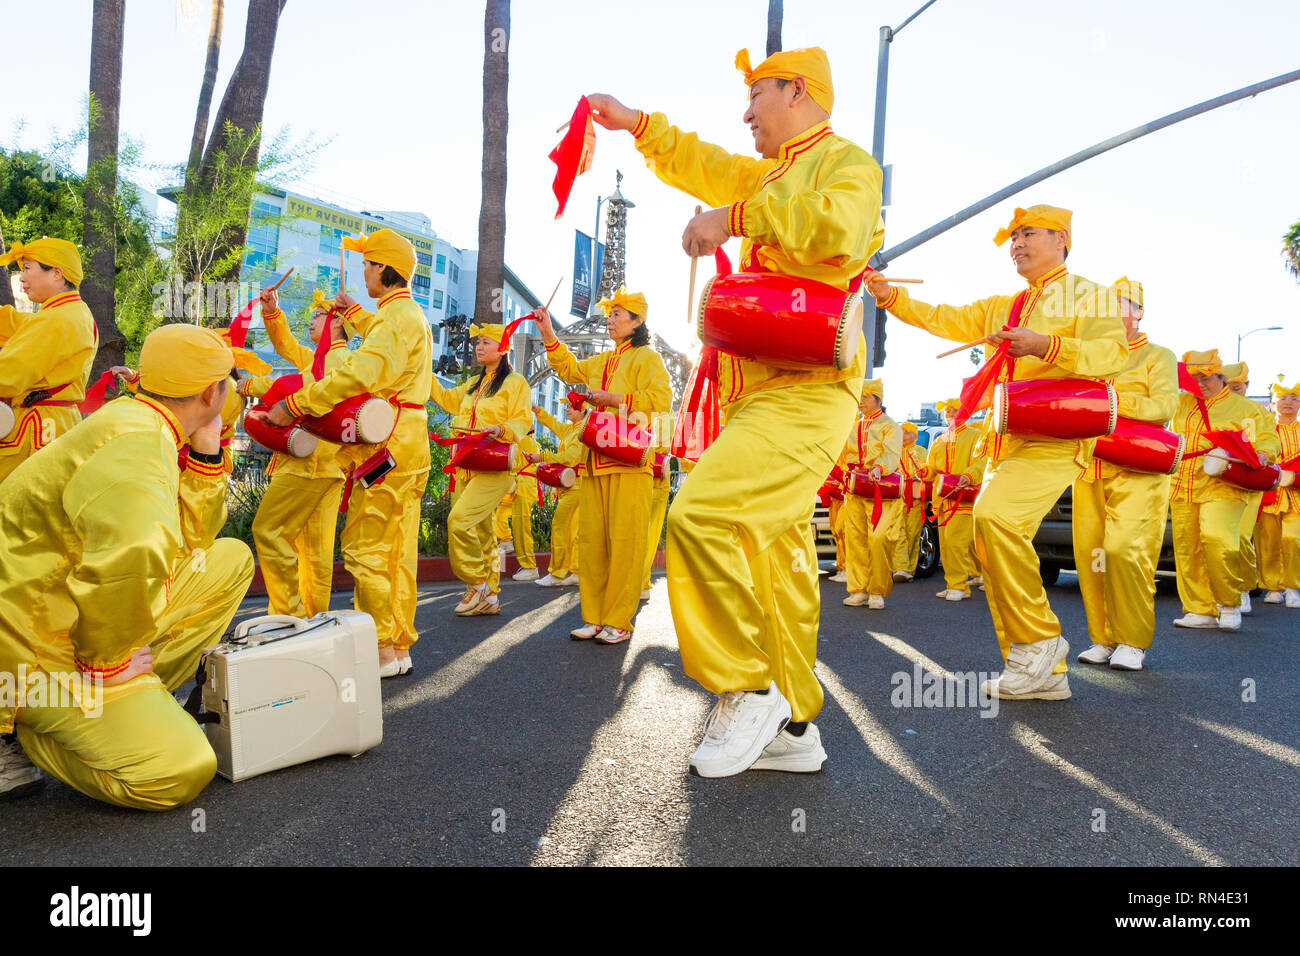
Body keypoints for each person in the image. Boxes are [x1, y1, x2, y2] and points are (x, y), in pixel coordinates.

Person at [587, 44, 881, 774]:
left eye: (757, 95)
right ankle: (793, 725)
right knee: (775, 567)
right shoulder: (771, 171)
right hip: (760, 393)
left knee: (701, 517)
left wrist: (740, 215)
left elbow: (838, 228)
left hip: (810, 391)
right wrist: (638, 125)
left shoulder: (847, 164)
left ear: (799, 90)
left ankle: (746, 687)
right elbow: (707, 165)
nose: (746, 112)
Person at [869, 204, 1128, 701]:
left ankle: (1040, 641)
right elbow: (948, 317)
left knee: (994, 519)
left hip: (1056, 436)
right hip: (1003, 437)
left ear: (1062, 239)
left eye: (1028, 233)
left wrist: (1047, 345)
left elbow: (1112, 357)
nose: (1017, 244)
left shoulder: (1092, 296)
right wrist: (891, 297)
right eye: (1013, 237)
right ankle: (1039, 671)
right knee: (988, 544)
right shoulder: (1007, 304)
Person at [0, 324, 254, 808]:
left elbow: (190, 542)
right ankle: (17, 723)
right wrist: (107, 664)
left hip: (62, 610)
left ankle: (124, 700)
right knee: (181, 769)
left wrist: (206, 445)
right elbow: (133, 554)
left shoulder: (137, 417)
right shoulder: (138, 442)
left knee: (228, 559)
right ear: (211, 390)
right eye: (230, 382)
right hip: (26, 641)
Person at [267, 229, 431, 677]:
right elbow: (381, 343)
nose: (363, 273)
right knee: (398, 551)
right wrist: (355, 313)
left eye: (367, 265)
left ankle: (379, 647)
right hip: (407, 438)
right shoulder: (403, 315)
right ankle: (396, 646)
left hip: (388, 440)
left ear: (382, 267)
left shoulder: (396, 318)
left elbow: (365, 367)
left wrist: (297, 404)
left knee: (365, 548)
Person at [534, 288, 671, 646]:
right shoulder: (603, 361)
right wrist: (548, 331)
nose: (610, 320)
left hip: (629, 463)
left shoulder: (647, 359)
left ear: (637, 321)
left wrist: (614, 400)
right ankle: (594, 618)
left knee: (626, 545)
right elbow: (569, 368)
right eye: (609, 315)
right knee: (593, 543)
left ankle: (619, 622)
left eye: (617, 315)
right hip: (595, 462)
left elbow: (659, 402)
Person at [1071, 278, 1178, 670]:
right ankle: (1102, 638)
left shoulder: (1158, 355)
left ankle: (1132, 640)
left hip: (1138, 469)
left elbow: (1165, 405)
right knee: (1092, 556)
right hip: (1089, 470)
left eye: (1118, 305)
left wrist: (1112, 400)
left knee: (1125, 553)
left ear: (1138, 311)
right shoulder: (1088, 357)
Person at [238, 288, 349, 620]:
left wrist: (254, 386)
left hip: (309, 462)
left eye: (318, 315)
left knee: (269, 530)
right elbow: (286, 346)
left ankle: (288, 613)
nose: (312, 321)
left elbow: (305, 389)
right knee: (315, 552)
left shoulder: (338, 360)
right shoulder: (322, 357)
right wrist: (273, 312)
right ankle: (312, 621)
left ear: (338, 321)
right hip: (325, 465)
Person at [1169, 350, 1280, 631]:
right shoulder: (1180, 403)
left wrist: (1264, 453)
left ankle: (1229, 603)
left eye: (1206, 378)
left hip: (1224, 483)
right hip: (1183, 484)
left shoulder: (1245, 409)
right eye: (1194, 379)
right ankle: (1199, 609)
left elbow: (1267, 438)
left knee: (1218, 539)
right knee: (1187, 547)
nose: (1200, 384)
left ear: (1221, 377)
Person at [429, 322, 532, 618]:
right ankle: (491, 596)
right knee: (484, 533)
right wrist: (423, 367)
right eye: (478, 342)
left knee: (459, 521)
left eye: (486, 342)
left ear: (502, 349)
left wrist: (500, 428)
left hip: (495, 467)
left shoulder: (515, 382)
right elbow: (448, 399)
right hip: (467, 466)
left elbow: (523, 420)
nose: (479, 346)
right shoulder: (475, 383)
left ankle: (477, 583)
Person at [0, 238, 97, 483]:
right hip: (55, 425)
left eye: (27, 268)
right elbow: (15, 323)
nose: (22, 278)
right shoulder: (71, 312)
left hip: (35, 434)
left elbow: (7, 376)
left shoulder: (56, 320)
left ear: (56, 273)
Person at [841, 380, 902, 609]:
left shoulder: (889, 426)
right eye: (861, 396)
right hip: (855, 489)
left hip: (879, 489)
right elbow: (842, 454)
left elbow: (892, 454)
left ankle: (877, 591)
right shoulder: (854, 425)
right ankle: (858, 589)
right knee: (855, 540)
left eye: (867, 397)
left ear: (878, 400)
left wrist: (879, 467)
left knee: (878, 539)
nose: (862, 401)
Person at [1221, 362, 1272, 613]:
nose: (1231, 391)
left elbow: (1269, 441)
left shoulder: (1257, 412)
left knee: (1240, 535)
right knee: (1216, 538)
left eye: (1237, 387)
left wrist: (1264, 454)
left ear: (1247, 386)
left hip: (1248, 481)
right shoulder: (1211, 409)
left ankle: (1243, 588)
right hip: (1216, 481)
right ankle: (1217, 592)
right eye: (1227, 387)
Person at [926, 399, 986, 601]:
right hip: (943, 499)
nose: (950, 414)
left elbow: (981, 463)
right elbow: (931, 469)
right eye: (947, 411)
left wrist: (968, 476)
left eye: (954, 410)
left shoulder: (975, 436)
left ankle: (960, 586)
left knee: (956, 542)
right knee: (946, 543)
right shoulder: (939, 440)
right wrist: (923, 471)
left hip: (964, 496)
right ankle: (953, 584)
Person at [1257, 379, 1300, 607]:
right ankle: (1272, 587)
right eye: (1282, 399)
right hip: (1269, 496)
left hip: (1297, 497)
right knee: (1268, 542)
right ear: (1273, 405)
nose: (1288, 403)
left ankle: (1293, 587)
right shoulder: (1265, 431)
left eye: (1294, 399)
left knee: (1294, 540)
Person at [531, 401, 583, 587]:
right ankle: (576, 572)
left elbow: (570, 458)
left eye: (572, 406)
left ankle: (557, 574)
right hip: (572, 486)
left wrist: (543, 457)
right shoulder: (570, 430)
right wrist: (538, 410)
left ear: (583, 409)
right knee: (574, 531)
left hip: (575, 487)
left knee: (560, 527)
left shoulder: (581, 432)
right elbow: (553, 423)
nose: (567, 409)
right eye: (566, 406)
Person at [641, 411, 675, 601]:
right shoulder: (663, 415)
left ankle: (639, 582)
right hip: (656, 480)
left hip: (649, 478)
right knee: (649, 536)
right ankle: (641, 582)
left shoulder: (654, 415)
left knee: (641, 534)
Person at [891, 421, 927, 583]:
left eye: (907, 432)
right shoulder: (892, 452)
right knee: (897, 532)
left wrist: (920, 474)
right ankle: (901, 567)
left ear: (914, 435)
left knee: (913, 532)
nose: (903, 436)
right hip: (897, 495)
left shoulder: (921, 451)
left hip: (916, 496)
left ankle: (910, 568)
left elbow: (928, 470)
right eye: (901, 432)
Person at [508, 426, 543, 582]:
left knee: (522, 526)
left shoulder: (525, 441)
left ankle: (529, 566)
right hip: (522, 485)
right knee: (517, 525)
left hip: (525, 485)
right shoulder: (525, 441)